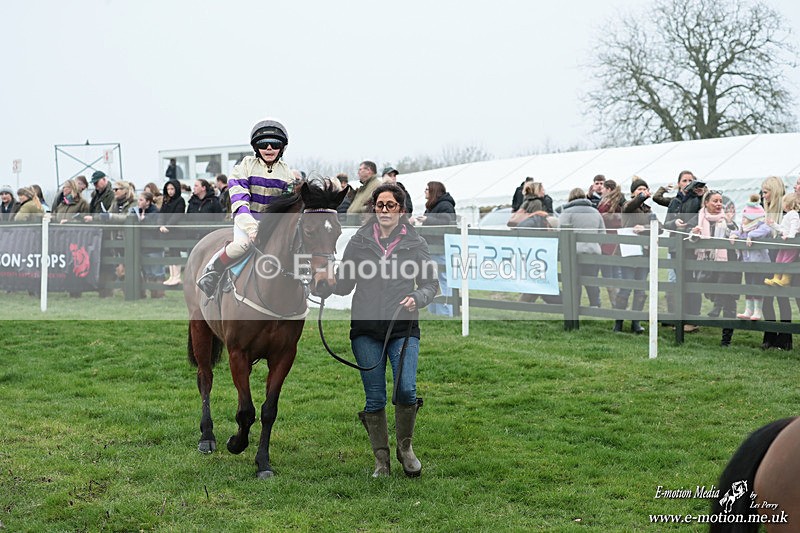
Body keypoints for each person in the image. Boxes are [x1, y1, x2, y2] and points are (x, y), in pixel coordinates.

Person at [325, 183, 439, 478]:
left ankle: (406, 448)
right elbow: (345, 284)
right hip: (365, 328)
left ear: (401, 209)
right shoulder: (359, 242)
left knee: (406, 388)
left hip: (402, 327)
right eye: (380, 205)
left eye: (391, 205)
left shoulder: (416, 243)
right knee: (374, 397)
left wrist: (418, 297)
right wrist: (326, 281)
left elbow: (431, 284)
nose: (385, 210)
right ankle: (381, 461)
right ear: (373, 209)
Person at [197, 118, 294, 298]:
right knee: (242, 245)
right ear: (256, 147)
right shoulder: (243, 168)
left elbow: (287, 208)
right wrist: (252, 229)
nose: (269, 148)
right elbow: (240, 203)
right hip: (246, 221)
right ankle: (213, 271)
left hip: (273, 226)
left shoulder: (288, 174)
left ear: (282, 147)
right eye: (264, 144)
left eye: (275, 144)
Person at [689, 190, 739, 346]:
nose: (719, 204)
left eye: (720, 201)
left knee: (729, 301)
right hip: (706, 267)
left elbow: (736, 233)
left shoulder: (727, 219)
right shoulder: (698, 217)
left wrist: (731, 227)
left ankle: (726, 339)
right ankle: (717, 304)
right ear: (706, 203)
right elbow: (687, 234)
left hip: (727, 266)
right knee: (716, 293)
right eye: (715, 201)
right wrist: (693, 233)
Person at [613, 178, 654, 334]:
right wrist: (642, 196)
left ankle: (636, 322)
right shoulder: (627, 207)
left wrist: (644, 228)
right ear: (632, 193)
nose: (642, 190)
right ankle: (619, 323)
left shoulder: (648, 210)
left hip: (644, 254)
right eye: (639, 189)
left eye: (645, 188)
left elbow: (660, 227)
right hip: (628, 253)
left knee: (640, 290)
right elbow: (632, 204)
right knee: (626, 289)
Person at [759, 176, 793, 350]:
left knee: (782, 298)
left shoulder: (787, 212)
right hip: (768, 259)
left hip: (782, 260)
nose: (763, 196)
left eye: (766, 192)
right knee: (767, 299)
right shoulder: (766, 211)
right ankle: (770, 335)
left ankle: (785, 338)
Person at [559, 188, 606, 308]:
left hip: (573, 253)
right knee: (592, 281)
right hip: (593, 251)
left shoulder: (567, 212)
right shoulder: (595, 212)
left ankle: (575, 306)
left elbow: (561, 233)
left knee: (574, 282)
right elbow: (602, 234)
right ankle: (595, 305)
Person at [730, 195, 771, 322]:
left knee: (756, 285)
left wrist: (751, 236)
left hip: (759, 265)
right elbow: (738, 233)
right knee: (748, 285)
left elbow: (766, 229)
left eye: (745, 218)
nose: (742, 220)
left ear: (753, 219)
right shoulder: (744, 229)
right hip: (747, 264)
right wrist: (733, 235)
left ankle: (758, 310)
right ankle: (748, 310)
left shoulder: (759, 227)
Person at [418, 181, 456, 316]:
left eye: (427, 189)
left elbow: (446, 223)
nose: (425, 191)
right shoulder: (431, 206)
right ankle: (433, 311)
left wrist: (426, 220)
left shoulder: (445, 205)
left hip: (440, 248)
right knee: (431, 280)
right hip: (430, 248)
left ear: (433, 191)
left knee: (442, 280)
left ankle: (445, 312)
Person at [764, 192, 800, 287]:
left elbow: (794, 226)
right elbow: (783, 229)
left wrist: (790, 236)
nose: (782, 205)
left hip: (790, 243)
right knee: (779, 259)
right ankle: (776, 278)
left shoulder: (794, 214)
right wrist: (773, 224)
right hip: (785, 242)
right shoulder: (787, 215)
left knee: (787, 260)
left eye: (783, 202)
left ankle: (785, 280)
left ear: (788, 203)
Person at [135, 191, 166, 298]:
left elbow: (155, 226)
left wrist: (145, 220)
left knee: (157, 272)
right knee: (148, 272)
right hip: (144, 247)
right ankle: (152, 294)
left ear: (148, 202)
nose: (138, 202)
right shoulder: (137, 212)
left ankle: (159, 294)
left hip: (155, 247)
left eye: (141, 200)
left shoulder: (156, 213)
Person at [597, 179, 624, 303]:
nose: (600, 190)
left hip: (607, 242)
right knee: (616, 272)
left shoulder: (605, 204)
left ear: (608, 189)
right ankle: (619, 301)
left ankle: (616, 302)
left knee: (609, 273)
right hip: (617, 241)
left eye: (603, 188)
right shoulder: (619, 202)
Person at [159, 179, 187, 287]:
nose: (170, 191)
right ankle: (172, 276)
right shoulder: (166, 200)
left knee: (176, 252)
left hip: (176, 231)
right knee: (170, 252)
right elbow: (161, 213)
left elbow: (177, 214)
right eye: (168, 189)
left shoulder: (180, 200)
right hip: (167, 231)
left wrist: (168, 226)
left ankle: (177, 276)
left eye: (172, 189)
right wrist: (161, 224)